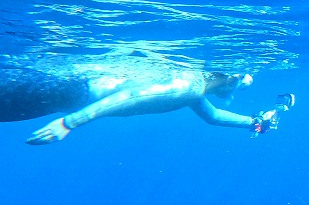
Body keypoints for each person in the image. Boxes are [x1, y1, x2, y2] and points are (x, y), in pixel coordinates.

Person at [0, 66, 294, 145]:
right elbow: (126, 98)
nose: (235, 90)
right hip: (68, 92)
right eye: (238, 84)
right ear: (228, 78)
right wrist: (69, 124)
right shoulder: (186, 86)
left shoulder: (194, 91)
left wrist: (255, 122)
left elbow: (213, 117)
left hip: (62, 97)